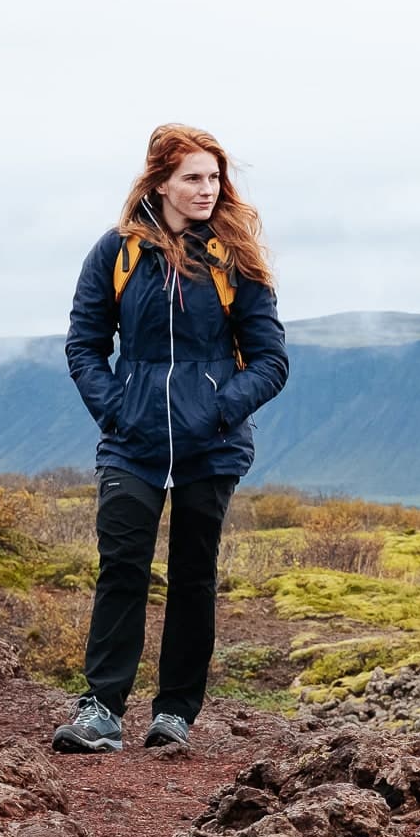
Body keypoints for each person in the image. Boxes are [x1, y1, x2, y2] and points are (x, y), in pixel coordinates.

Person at [53, 124, 288, 753]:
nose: (206, 189)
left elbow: (271, 360)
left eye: (214, 177)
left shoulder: (234, 258)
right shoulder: (117, 254)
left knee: (192, 576)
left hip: (210, 446)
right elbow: (84, 344)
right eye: (192, 178)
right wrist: (117, 410)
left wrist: (216, 411)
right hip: (132, 443)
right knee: (122, 567)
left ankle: (176, 714)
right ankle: (101, 708)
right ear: (160, 183)